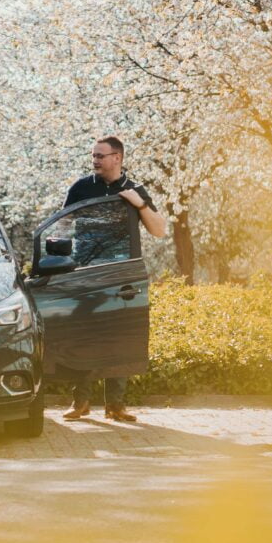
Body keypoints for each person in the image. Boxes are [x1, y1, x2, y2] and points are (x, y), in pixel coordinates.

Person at [62, 135, 166, 422]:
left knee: (120, 338)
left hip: (123, 278)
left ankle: (116, 406)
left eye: (100, 156)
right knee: (84, 337)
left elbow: (159, 230)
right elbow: (62, 226)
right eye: (93, 155)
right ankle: (80, 401)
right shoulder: (81, 188)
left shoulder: (135, 189)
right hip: (86, 275)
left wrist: (140, 204)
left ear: (117, 158)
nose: (94, 160)